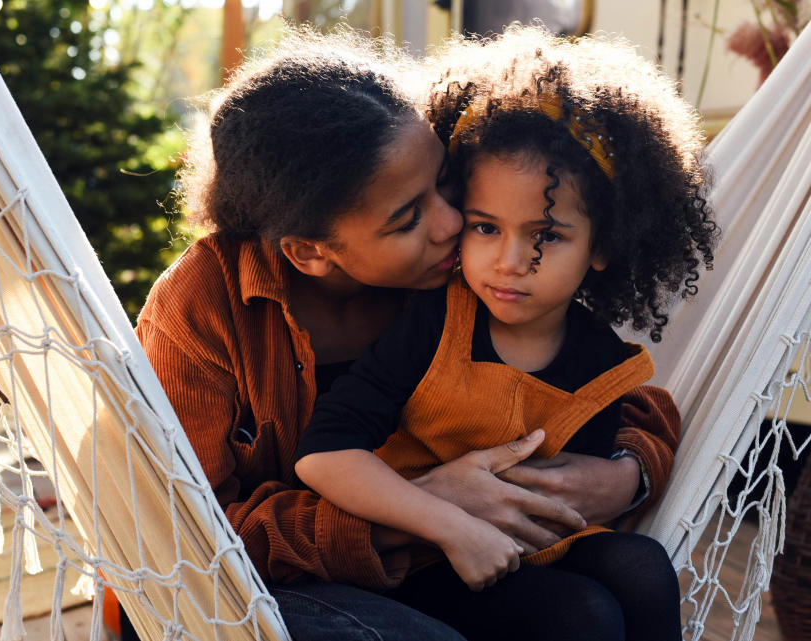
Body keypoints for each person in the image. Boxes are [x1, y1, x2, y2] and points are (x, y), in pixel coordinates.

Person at [132, 26, 682, 641]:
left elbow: (609, 392)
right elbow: (184, 536)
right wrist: (423, 506)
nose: (454, 223)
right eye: (407, 218)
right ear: (312, 252)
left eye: (445, 184)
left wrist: (628, 472)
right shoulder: (204, 306)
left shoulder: (462, 275)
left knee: (593, 607)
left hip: (432, 564)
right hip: (246, 595)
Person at [294, 26, 718, 641]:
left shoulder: (602, 361)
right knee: (585, 615)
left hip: (529, 554)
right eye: (486, 228)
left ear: (601, 246)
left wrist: (629, 474)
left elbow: (641, 437)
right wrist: (448, 524)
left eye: (546, 235)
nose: (511, 261)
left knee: (643, 565)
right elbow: (324, 453)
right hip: (422, 559)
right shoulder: (433, 322)